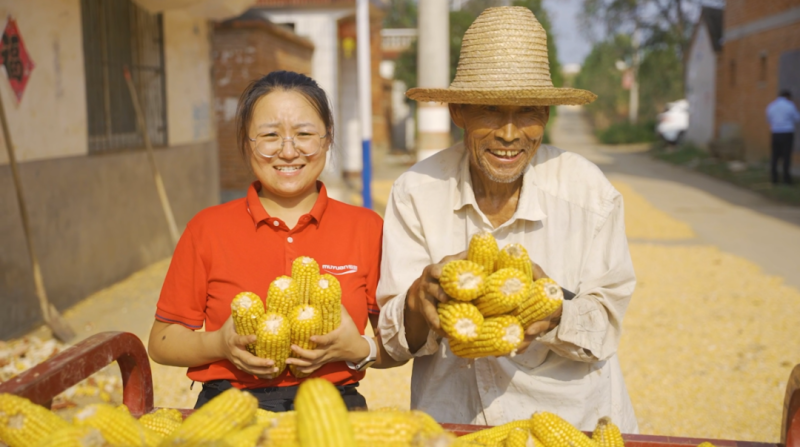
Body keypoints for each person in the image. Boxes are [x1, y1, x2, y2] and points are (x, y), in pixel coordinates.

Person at [376, 7, 638, 432]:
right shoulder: (416, 192)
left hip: (571, 426)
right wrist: (418, 300)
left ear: (547, 117)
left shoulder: (589, 193)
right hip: (456, 425)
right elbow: (391, 341)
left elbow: (606, 324)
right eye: (491, 110)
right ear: (458, 112)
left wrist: (554, 311)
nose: (510, 133)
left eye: (528, 112)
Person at [148, 70, 398, 411]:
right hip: (228, 410)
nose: (288, 151)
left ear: (327, 138)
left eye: (305, 134)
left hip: (333, 410)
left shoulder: (366, 227)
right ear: (245, 141)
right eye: (269, 135)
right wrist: (219, 344)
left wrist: (357, 348)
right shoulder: (207, 228)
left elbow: (398, 345)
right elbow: (161, 342)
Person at [766, 90, 800, 185]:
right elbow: (797, 118)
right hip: (787, 133)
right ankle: (786, 179)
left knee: (775, 157)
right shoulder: (790, 105)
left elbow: (768, 119)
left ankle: (774, 179)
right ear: (788, 97)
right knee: (786, 157)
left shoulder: (771, 106)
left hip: (775, 133)